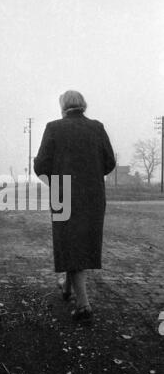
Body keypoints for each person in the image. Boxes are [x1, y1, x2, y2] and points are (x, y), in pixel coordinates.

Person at [34, 90, 116, 322]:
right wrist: (90, 172)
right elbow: (109, 162)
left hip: (63, 193)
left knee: (69, 242)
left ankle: (83, 305)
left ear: (62, 106)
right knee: (80, 243)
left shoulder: (53, 128)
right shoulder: (97, 127)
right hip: (93, 194)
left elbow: (41, 165)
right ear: (83, 106)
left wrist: (56, 178)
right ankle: (67, 288)